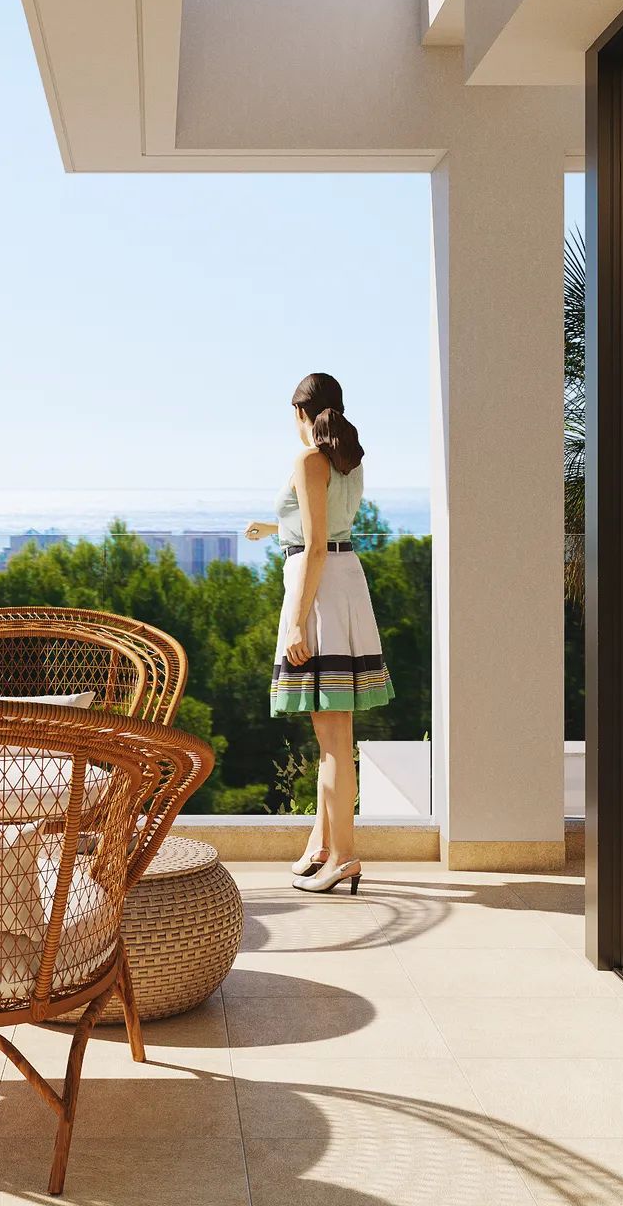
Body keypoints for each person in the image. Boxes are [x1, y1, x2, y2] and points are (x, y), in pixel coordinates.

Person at [245, 372, 395, 894]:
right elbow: (328, 528)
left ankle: (345, 858)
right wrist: (270, 530)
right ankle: (323, 846)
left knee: (333, 742)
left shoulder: (309, 459)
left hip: (319, 590)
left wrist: (293, 622)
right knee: (334, 735)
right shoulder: (348, 460)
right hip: (344, 583)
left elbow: (312, 547)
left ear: (301, 414)